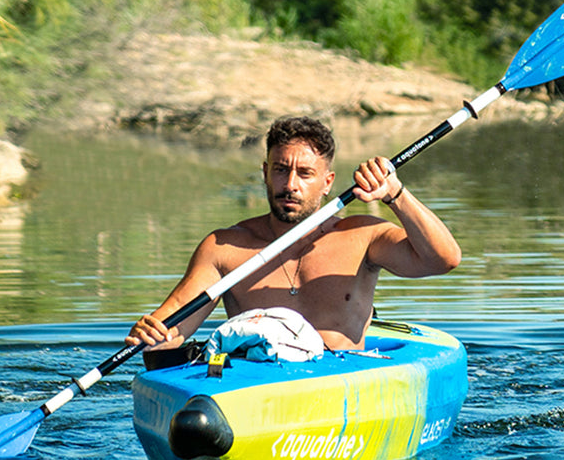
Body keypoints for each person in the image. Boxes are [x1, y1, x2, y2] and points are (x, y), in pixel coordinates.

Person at [126, 115, 461, 353]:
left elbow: (443, 260)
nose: (290, 185)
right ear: (265, 173)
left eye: (305, 173)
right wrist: (150, 334)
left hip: (341, 380)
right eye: (281, 170)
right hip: (260, 386)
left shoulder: (363, 236)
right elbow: (173, 327)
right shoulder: (224, 247)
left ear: (327, 183)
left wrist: (395, 195)